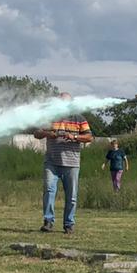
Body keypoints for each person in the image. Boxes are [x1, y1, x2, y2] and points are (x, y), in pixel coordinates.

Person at [33, 94, 92, 234]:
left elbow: (89, 137)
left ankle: (69, 224)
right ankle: (48, 221)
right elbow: (36, 133)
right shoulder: (49, 117)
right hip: (51, 162)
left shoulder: (79, 119)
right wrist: (48, 134)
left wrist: (74, 137)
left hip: (71, 163)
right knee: (49, 190)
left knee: (72, 195)